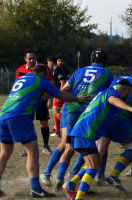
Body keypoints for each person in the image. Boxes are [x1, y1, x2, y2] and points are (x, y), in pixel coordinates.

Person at [0, 64, 91, 197]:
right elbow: (61, 94)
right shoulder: (40, 81)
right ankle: (36, 188)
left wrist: (48, 96)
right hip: (20, 116)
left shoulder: (21, 80)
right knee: (32, 151)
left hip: (4, 116)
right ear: (43, 73)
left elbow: (34, 95)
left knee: (4, 152)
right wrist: (78, 99)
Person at [64, 79, 132, 200]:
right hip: (85, 133)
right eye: (128, 93)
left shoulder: (104, 92)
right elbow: (114, 100)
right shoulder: (111, 94)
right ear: (125, 91)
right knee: (93, 167)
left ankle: (70, 184)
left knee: (94, 162)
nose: (128, 96)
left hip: (83, 132)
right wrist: (131, 108)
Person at [40, 49, 113, 191]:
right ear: (105, 61)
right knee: (89, 146)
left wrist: (48, 97)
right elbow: (110, 94)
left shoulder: (79, 71)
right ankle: (74, 176)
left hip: (71, 109)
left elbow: (64, 89)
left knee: (69, 146)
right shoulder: (108, 74)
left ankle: (58, 177)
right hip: (89, 113)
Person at [16, 51, 52, 154]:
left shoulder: (44, 68)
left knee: (44, 123)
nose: (32, 60)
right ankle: (28, 149)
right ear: (25, 59)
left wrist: (49, 99)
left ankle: (46, 146)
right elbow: (18, 86)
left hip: (41, 100)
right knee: (27, 123)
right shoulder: (21, 69)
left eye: (33, 58)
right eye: (29, 58)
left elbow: (51, 83)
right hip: (27, 103)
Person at [52, 54, 71, 137]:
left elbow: (62, 82)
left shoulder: (58, 70)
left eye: (61, 61)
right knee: (58, 111)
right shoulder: (67, 69)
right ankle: (57, 131)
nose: (60, 62)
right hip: (67, 92)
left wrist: (60, 95)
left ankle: (68, 127)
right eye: (58, 60)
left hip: (60, 92)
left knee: (56, 112)